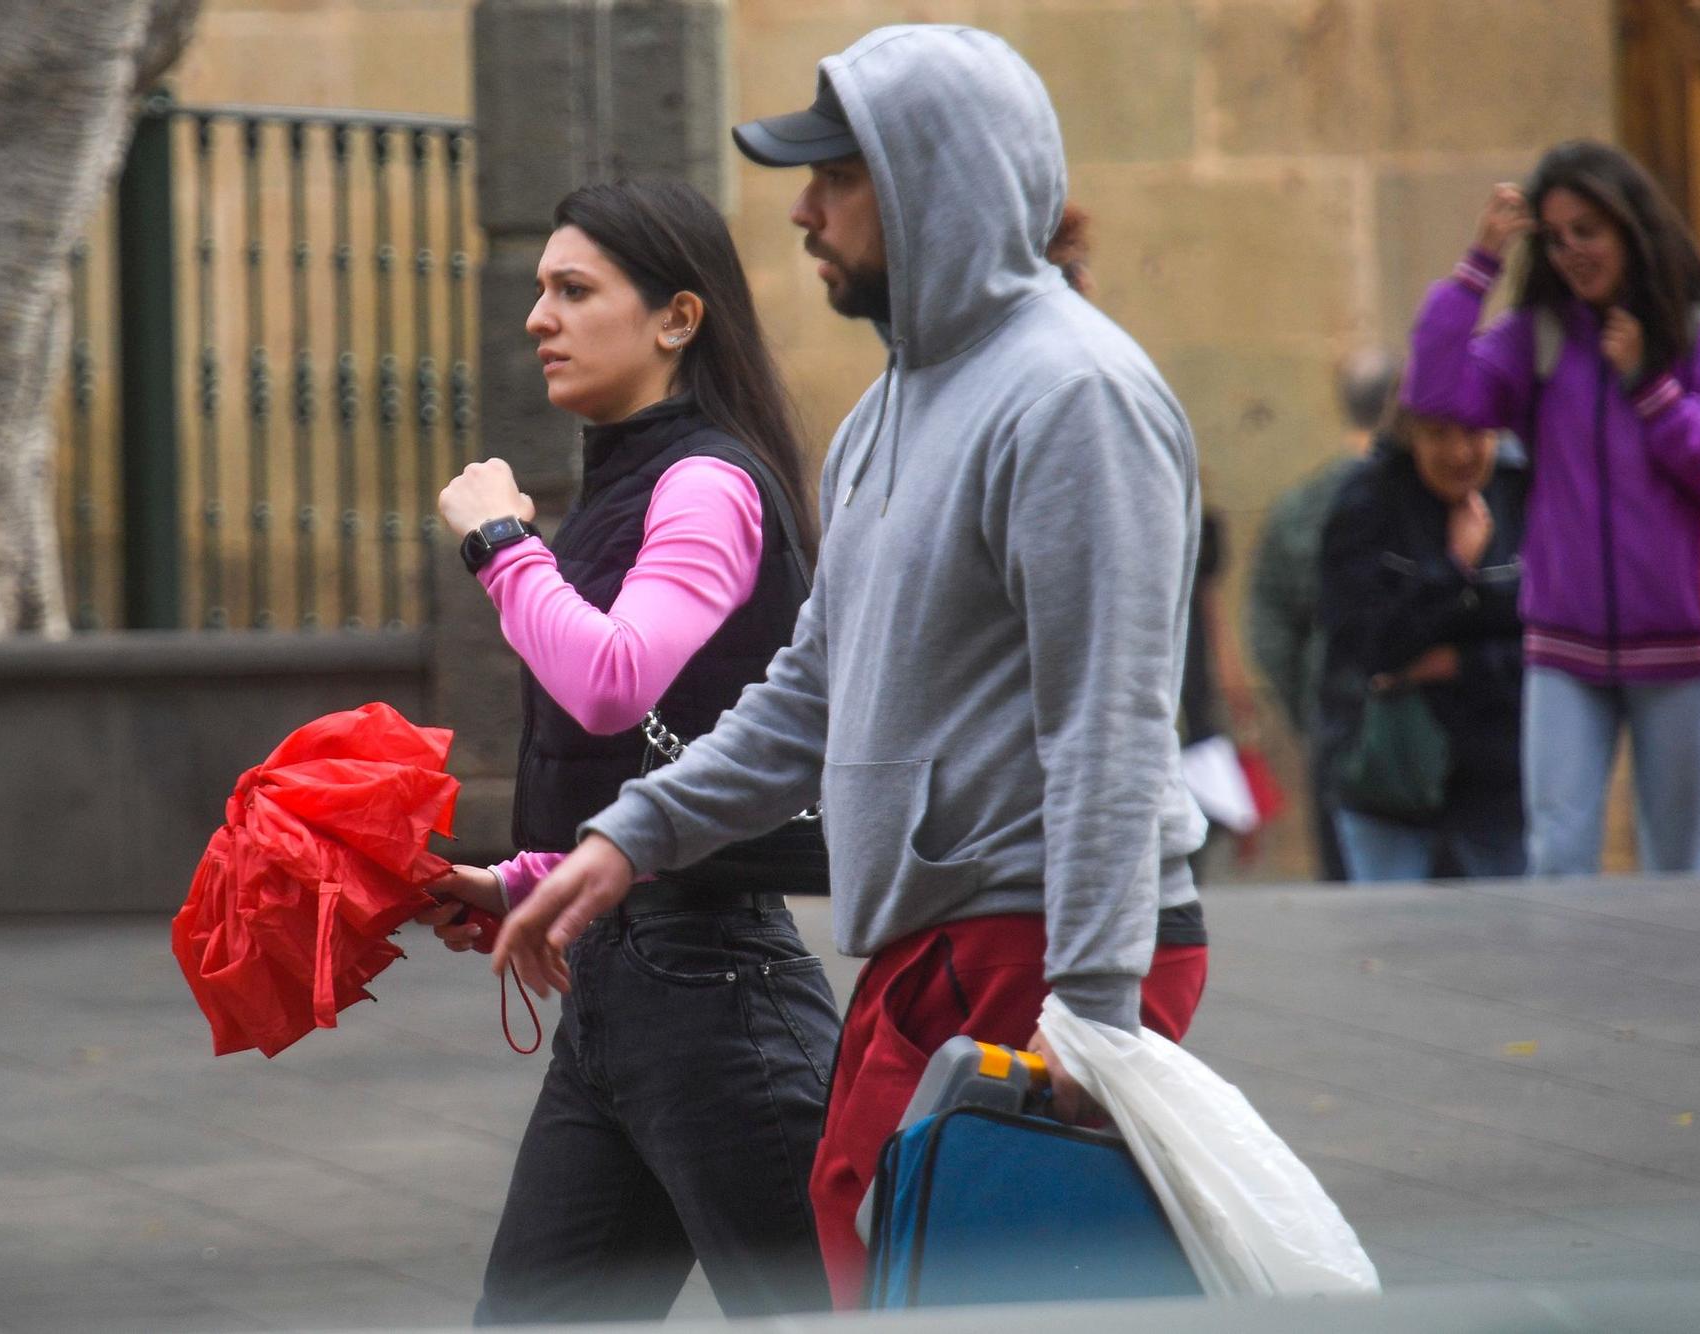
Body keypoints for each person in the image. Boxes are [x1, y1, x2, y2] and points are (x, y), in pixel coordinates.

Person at [491, 24, 1210, 1308]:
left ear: (935, 182)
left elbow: (1108, 726)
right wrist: (624, 840)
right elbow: (808, 697)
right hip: (933, 938)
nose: (802, 211)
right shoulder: (883, 415)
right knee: (877, 1281)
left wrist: (1092, 1019)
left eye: (835, 178)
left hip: (1047, 943)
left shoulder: (1073, 396)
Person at [417, 178, 839, 1323]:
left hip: (715, 1000)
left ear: (676, 319)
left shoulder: (703, 481)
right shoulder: (630, 479)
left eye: (573, 289)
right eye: (541, 289)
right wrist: (517, 880)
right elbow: (668, 747)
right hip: (619, 1003)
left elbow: (613, 685)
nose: (536, 317)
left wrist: (502, 543)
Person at [1406, 139, 1700, 877]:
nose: (1571, 253)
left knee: (1678, 862)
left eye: (1588, 232)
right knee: (1557, 856)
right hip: (1565, 643)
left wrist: (1653, 392)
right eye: (1557, 237)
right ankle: (1567, 994)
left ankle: (1679, 994)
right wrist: (1479, 269)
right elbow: (1436, 396)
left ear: (1630, 226)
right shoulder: (1541, 335)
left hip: (1680, 646)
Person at [1317, 405, 1528, 880]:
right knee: (1389, 938)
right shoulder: (1367, 501)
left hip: (1500, 776)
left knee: (1511, 940)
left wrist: (1459, 664)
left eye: (1475, 432)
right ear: (1411, 434)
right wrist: (1453, 573)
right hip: (1385, 777)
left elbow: (1548, 643)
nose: (1459, 453)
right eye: (1438, 434)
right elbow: (1365, 644)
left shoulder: (1523, 492)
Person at [1247, 349, 1402, 881]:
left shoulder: (1301, 503)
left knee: (1346, 879)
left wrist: (1305, 706)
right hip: (1416, 714)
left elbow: (1268, 625)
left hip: (1333, 711)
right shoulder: (1417, 495)